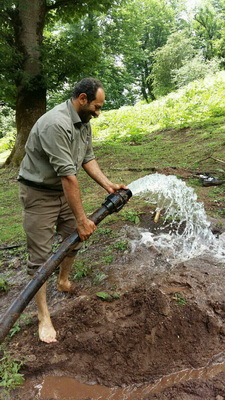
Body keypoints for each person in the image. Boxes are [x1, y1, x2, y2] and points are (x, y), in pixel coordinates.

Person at [18, 78, 127, 344]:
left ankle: (63, 281)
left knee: (74, 239)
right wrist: (82, 218)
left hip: (61, 190)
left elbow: (87, 158)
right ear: (82, 99)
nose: (98, 112)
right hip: (39, 193)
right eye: (96, 106)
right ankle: (44, 317)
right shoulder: (56, 124)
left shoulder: (83, 122)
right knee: (40, 258)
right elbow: (69, 177)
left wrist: (108, 185)